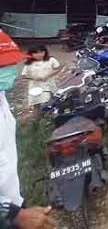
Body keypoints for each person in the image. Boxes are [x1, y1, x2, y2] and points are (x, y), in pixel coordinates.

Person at [1, 30, 57, 229]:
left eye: (10, 63)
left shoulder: (2, 97)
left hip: (12, 196)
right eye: (2, 65)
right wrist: (13, 214)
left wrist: (17, 207)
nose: (9, 69)